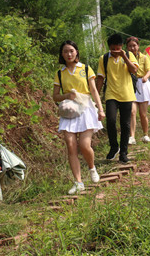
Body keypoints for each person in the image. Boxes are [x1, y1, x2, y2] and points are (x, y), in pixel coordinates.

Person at [52, 40, 105, 195]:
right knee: (70, 144)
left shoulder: (86, 69)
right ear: (62, 54)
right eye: (65, 51)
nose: (69, 54)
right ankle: (78, 182)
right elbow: (55, 96)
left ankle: (92, 167)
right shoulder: (60, 73)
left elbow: (94, 91)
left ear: (76, 52)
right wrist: (67, 95)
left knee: (84, 144)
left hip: (86, 108)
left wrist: (100, 110)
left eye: (71, 51)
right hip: (69, 109)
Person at [96, 34, 138, 163]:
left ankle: (124, 152)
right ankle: (114, 147)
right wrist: (95, 96)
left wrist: (123, 56)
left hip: (127, 94)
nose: (115, 51)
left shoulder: (129, 56)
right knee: (111, 120)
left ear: (121, 46)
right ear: (109, 47)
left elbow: (134, 70)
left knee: (125, 124)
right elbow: (100, 78)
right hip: (111, 94)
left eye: (118, 48)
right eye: (113, 49)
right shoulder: (103, 59)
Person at [126, 36, 150, 144]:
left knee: (143, 113)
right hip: (130, 84)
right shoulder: (126, 58)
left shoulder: (144, 58)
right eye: (130, 46)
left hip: (142, 84)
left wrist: (146, 77)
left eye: (134, 45)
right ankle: (132, 136)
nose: (132, 48)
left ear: (138, 46)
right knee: (132, 111)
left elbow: (149, 70)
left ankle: (145, 134)